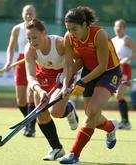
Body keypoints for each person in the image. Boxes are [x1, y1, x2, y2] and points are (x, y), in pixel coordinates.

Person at [59, 6, 122, 164]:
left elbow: (101, 66)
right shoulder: (69, 37)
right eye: (68, 29)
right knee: (90, 113)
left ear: (85, 25)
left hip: (109, 72)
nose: (71, 33)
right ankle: (110, 128)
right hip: (89, 71)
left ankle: (74, 155)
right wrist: (66, 85)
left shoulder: (99, 35)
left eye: (75, 29)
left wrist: (81, 82)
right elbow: (69, 65)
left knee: (92, 111)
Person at [24, 18, 79, 161]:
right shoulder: (29, 50)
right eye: (29, 38)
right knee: (41, 115)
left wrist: (65, 83)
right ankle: (56, 148)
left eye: (34, 37)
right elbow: (30, 77)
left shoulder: (60, 43)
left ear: (44, 33)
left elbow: (71, 64)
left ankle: (68, 109)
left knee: (55, 112)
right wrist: (40, 91)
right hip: (44, 76)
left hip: (64, 73)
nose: (32, 41)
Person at [4, 4, 37, 137]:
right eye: (26, 12)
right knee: (20, 101)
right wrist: (8, 61)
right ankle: (30, 121)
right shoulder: (17, 29)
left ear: (35, 14)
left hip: (34, 61)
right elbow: (10, 47)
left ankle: (30, 127)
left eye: (31, 12)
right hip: (20, 62)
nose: (28, 15)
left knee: (30, 96)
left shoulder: (38, 27)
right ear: (22, 14)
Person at [112, 19, 136, 129]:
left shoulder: (127, 39)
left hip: (125, 69)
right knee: (118, 96)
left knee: (118, 95)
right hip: (115, 69)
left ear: (124, 28)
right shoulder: (112, 40)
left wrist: (127, 59)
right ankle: (125, 121)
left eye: (120, 27)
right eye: (116, 26)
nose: (118, 28)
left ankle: (126, 122)